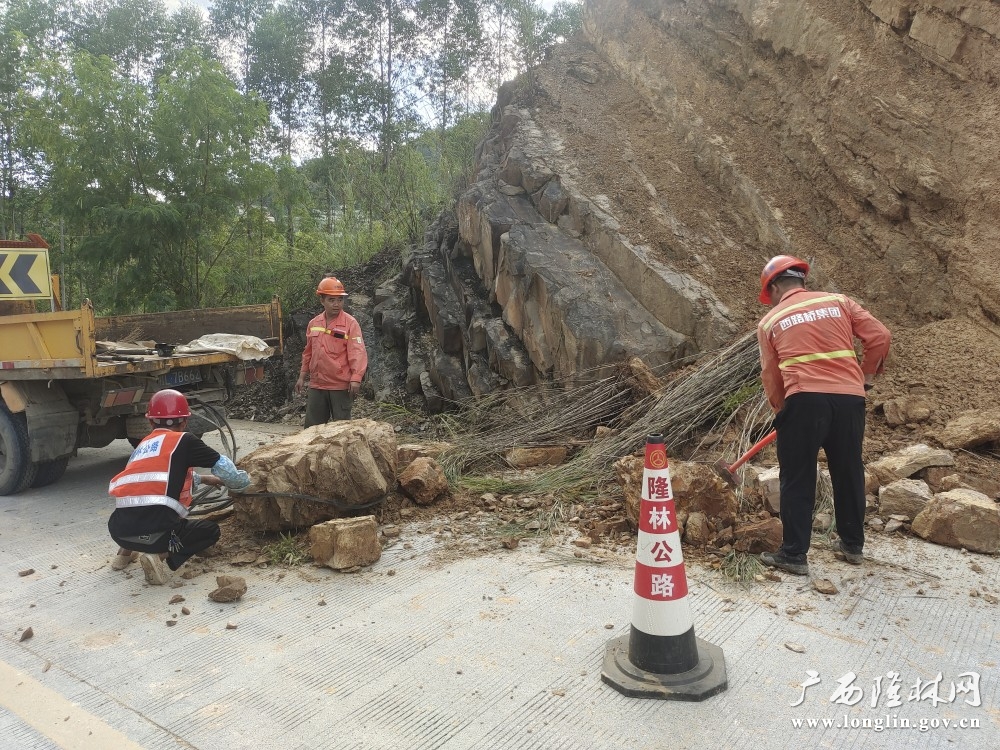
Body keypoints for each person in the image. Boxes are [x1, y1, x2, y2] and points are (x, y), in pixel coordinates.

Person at [755, 255, 891, 576]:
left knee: (798, 474)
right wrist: (866, 377)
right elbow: (880, 336)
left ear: (774, 288)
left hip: (804, 399)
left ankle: (794, 554)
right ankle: (852, 545)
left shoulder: (770, 321)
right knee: (848, 469)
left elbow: (771, 375)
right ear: (801, 280)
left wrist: (782, 411)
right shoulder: (839, 301)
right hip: (850, 399)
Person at [107, 389, 251, 585]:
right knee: (210, 531)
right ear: (184, 422)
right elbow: (224, 467)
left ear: (151, 423)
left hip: (119, 531)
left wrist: (204, 479)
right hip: (158, 533)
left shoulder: (143, 446)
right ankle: (158, 556)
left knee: (140, 509)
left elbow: (156, 481)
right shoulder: (185, 440)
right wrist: (244, 484)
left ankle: (123, 555)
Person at [294, 276, 368, 427]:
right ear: (322, 301)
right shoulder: (314, 323)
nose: (336, 304)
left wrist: (356, 378)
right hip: (317, 385)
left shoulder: (350, 323)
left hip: (340, 386)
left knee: (341, 430)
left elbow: (357, 352)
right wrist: (302, 376)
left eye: (340, 300)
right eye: (331, 300)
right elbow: (308, 352)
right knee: (312, 430)